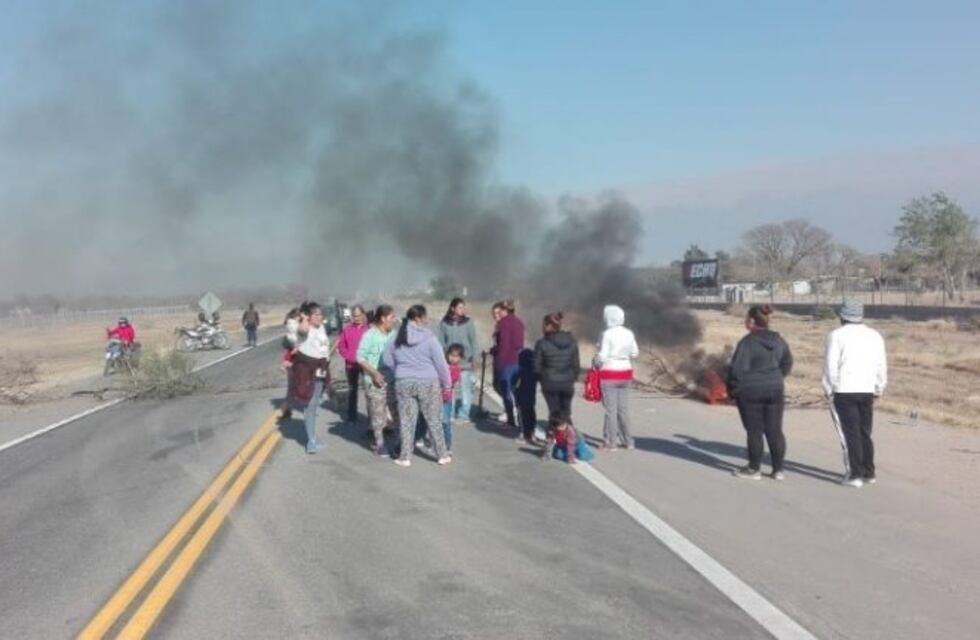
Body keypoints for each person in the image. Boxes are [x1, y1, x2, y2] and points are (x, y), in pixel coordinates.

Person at [822, 301, 887, 488]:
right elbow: (881, 365)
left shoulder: (836, 336)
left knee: (849, 433)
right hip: (866, 388)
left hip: (844, 389)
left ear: (842, 316)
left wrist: (828, 388)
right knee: (865, 432)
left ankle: (855, 474)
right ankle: (869, 472)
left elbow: (830, 365)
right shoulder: (875, 336)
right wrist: (879, 387)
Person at [726, 305, 794, 480]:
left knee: (755, 431)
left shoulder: (747, 342)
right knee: (775, 430)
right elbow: (787, 362)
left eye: (745, 319)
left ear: (751, 321)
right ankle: (778, 470)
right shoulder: (779, 340)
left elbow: (736, 371)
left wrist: (732, 391)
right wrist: (776, 377)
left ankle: (754, 469)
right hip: (775, 388)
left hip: (751, 391)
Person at [383, 305, 453, 467]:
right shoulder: (429, 337)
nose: (427, 320)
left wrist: (400, 370)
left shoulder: (396, 336)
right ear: (419, 318)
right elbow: (441, 364)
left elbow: (387, 359)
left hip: (403, 382)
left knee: (407, 422)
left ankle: (405, 457)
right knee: (433, 420)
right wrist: (447, 384)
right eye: (425, 317)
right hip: (428, 383)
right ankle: (442, 455)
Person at [288, 301, 330, 454]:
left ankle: (313, 436)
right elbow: (303, 330)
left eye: (320, 314)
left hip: (320, 371)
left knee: (314, 405)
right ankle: (311, 441)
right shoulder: (303, 327)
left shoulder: (321, 328)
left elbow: (323, 348)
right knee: (310, 406)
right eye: (316, 314)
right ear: (308, 316)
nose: (320, 317)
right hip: (306, 371)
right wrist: (304, 317)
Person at [594, 305, 639, 450]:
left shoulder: (607, 334)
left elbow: (603, 355)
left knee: (610, 410)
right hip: (626, 373)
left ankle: (611, 442)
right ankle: (628, 441)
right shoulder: (629, 333)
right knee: (623, 410)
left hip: (610, 374)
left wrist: (596, 359)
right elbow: (634, 353)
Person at [356, 305, 398, 456]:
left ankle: (398, 444)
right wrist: (374, 373)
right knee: (378, 416)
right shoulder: (370, 335)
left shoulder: (394, 334)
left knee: (395, 413)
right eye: (392, 317)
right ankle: (380, 445)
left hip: (392, 381)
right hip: (374, 382)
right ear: (383, 319)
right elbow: (360, 357)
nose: (395, 320)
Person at [534, 312, 580, 426]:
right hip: (567, 383)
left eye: (543, 324)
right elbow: (576, 365)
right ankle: (571, 437)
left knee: (554, 413)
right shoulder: (572, 341)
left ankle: (554, 437)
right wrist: (572, 378)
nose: (542, 327)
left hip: (550, 383)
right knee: (566, 412)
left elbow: (536, 367)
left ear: (548, 325)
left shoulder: (542, 343)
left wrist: (542, 379)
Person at [438, 297, 480, 422]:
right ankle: (449, 414)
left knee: (465, 389)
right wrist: (442, 360)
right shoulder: (444, 324)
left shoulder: (468, 323)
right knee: (448, 390)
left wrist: (475, 358)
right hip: (449, 362)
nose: (463, 309)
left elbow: (474, 341)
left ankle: (463, 414)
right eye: (460, 307)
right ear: (453, 308)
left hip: (465, 361)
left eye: (463, 307)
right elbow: (441, 343)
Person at [490, 299, 525, 429]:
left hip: (506, 361)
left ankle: (511, 419)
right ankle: (521, 420)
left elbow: (504, 345)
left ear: (505, 310)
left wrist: (498, 361)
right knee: (514, 391)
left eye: (502, 310)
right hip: (518, 360)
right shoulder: (519, 322)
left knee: (506, 391)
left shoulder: (504, 323)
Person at [337, 304, 369, 424]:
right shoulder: (347, 330)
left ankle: (372, 416)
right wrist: (350, 356)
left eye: (359, 315)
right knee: (352, 390)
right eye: (354, 316)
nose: (357, 318)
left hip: (366, 365)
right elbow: (341, 346)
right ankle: (352, 416)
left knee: (369, 390)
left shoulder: (369, 330)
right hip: (351, 365)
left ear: (364, 315)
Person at [441, 344, 465, 456]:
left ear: (460, 358)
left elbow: (451, 380)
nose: (453, 358)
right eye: (451, 355)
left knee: (445, 422)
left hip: (446, 399)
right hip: (436, 397)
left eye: (456, 356)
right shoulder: (442, 365)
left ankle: (447, 445)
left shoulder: (456, 370)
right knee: (436, 422)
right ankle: (437, 443)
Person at [515, 348, 538, 444]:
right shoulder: (535, 371)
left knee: (522, 416)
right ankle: (532, 433)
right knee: (531, 413)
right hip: (531, 397)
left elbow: (514, 383)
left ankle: (523, 434)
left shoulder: (519, 370)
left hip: (521, 397)